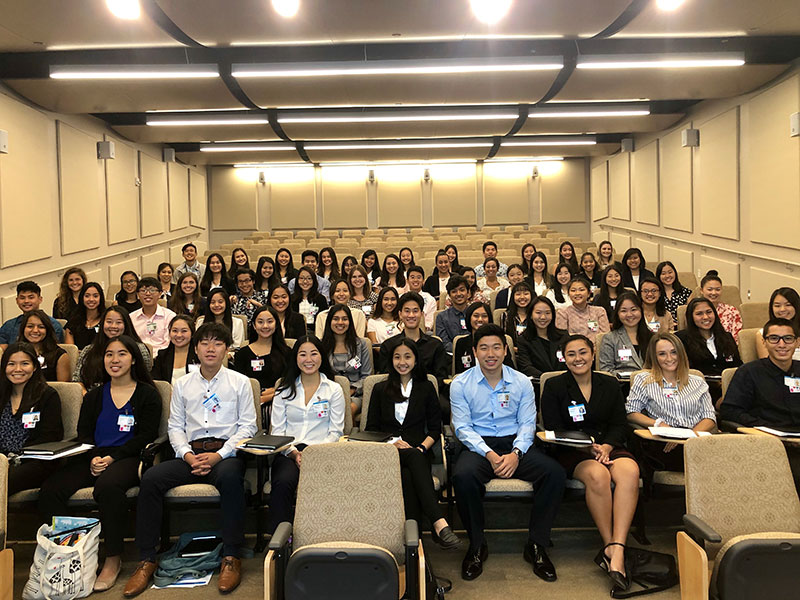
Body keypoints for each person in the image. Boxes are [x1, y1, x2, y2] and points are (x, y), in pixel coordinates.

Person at [124, 323, 257, 596]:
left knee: (232, 478)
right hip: (190, 454)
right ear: (195, 348)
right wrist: (187, 455)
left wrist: (218, 455)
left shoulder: (240, 382)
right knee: (151, 479)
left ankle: (231, 557)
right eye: (205, 343)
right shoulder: (182, 384)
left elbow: (248, 428)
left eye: (217, 343)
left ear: (226, 349)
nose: (211, 348)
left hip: (225, 454)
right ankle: (147, 559)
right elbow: (175, 427)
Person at [41, 335, 161, 593]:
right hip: (93, 455)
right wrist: (94, 456)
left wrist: (113, 458)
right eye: (109, 354)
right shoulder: (95, 395)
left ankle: (113, 557)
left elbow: (146, 436)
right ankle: (69, 553)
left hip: (128, 456)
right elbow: (84, 433)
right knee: (51, 489)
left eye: (121, 354)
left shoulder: (147, 394)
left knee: (107, 487)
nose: (114, 360)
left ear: (133, 359)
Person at [451, 324, 565, 582]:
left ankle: (537, 544)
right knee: (463, 476)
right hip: (479, 445)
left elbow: (527, 423)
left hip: (515, 443)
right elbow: (462, 428)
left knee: (554, 474)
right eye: (483, 348)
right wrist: (490, 454)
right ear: (474, 352)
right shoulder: (460, 383)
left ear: (505, 350)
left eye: (496, 347)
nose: (490, 353)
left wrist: (515, 453)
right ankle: (477, 545)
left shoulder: (522, 381)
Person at [541, 335, 640, 591]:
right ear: (564, 358)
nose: (578, 359)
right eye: (571, 354)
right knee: (598, 476)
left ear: (593, 354)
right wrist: (587, 448)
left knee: (630, 471)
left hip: (608, 446)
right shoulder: (554, 386)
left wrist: (606, 446)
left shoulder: (609, 383)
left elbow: (620, 423)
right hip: (573, 451)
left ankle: (617, 547)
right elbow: (553, 429)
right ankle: (609, 546)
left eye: (583, 352)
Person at [365, 337, 461, 549]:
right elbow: (371, 429)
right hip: (386, 453)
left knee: (409, 476)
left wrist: (420, 448)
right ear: (391, 361)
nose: (402, 362)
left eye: (407, 357)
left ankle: (412, 545)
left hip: (419, 453)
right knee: (413, 462)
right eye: (397, 357)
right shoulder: (380, 389)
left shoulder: (426, 387)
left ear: (416, 360)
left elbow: (435, 429)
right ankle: (438, 523)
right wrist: (393, 443)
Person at [266, 336, 345, 536]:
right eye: (302, 354)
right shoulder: (283, 389)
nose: (308, 359)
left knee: (326, 485)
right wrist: (294, 454)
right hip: (289, 452)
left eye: (314, 353)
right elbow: (277, 431)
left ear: (322, 357)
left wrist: (313, 454)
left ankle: (325, 536)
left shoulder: (333, 389)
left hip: (323, 452)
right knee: (283, 482)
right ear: (295, 358)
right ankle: (280, 543)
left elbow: (336, 431)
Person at [720, 318, 800, 490]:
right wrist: (760, 428)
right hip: (770, 444)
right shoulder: (749, 372)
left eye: (788, 338)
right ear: (764, 342)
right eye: (774, 338)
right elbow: (729, 411)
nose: (782, 344)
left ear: (797, 342)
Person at [626, 332, 716, 472]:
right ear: (654, 357)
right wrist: (659, 424)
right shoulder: (644, 379)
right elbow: (632, 412)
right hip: (663, 439)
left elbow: (709, 417)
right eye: (662, 354)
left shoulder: (698, 381)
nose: (669, 358)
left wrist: (689, 437)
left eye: (674, 352)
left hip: (695, 438)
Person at [1, 342, 63, 496]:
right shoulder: (1, 395)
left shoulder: (48, 396)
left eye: (25, 363)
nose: (18, 369)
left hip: (34, 461)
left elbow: (51, 436)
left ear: (35, 367)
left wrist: (16, 459)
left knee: (2, 481)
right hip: (2, 460)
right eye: (11, 364)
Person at [676, 298, 742, 405]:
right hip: (700, 390)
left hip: (731, 387)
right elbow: (687, 371)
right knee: (733, 402)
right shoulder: (681, 339)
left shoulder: (726, 337)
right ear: (691, 317)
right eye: (699, 314)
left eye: (709, 312)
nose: (705, 317)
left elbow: (737, 365)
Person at [377, 292, 448, 391]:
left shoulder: (435, 345)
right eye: (407, 311)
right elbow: (386, 378)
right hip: (396, 395)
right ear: (400, 314)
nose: (411, 315)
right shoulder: (388, 346)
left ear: (422, 314)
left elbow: (440, 380)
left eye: (415, 311)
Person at [73, 306, 153, 391]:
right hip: (92, 399)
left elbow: (144, 379)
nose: (113, 326)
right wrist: (87, 396)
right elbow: (77, 380)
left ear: (126, 324)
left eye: (118, 322)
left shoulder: (139, 349)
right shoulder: (89, 350)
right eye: (109, 322)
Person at [321, 304, 372, 420]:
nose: (340, 322)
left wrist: (351, 390)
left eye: (344, 319)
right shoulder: (321, 346)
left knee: (348, 409)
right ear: (329, 322)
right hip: (329, 392)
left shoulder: (361, 345)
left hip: (355, 394)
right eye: (336, 319)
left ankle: (348, 437)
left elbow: (366, 376)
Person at [232, 306, 290, 408]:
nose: (265, 326)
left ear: (276, 324)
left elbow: (290, 382)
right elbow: (237, 385)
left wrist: (273, 394)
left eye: (270, 321)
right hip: (249, 403)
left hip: (279, 402)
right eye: (260, 322)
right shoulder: (242, 353)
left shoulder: (286, 352)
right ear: (254, 325)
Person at [598, 292, 652, 377]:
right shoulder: (610, 338)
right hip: (622, 385)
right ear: (618, 314)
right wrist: (627, 376)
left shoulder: (652, 337)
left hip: (650, 385)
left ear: (641, 310)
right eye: (623, 311)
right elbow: (606, 370)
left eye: (633, 309)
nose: (629, 315)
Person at [453, 303, 515, 375]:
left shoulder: (498, 341)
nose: (480, 319)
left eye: (484, 316)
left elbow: (509, 369)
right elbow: (459, 373)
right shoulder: (461, 343)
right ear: (469, 318)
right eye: (476, 316)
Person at [0, 281, 65, 349]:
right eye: (22, 298)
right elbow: (2, 352)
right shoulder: (9, 326)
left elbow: (54, 352)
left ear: (40, 299)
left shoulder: (53, 325)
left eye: (31, 297)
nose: (26, 301)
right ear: (17, 300)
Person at [516, 296, 568, 378]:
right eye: (538, 313)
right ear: (531, 315)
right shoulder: (523, 340)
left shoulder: (563, 336)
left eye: (547, 313)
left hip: (565, 381)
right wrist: (547, 379)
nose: (543, 317)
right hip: (539, 383)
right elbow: (526, 367)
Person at [17, 310, 69, 382]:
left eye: (41, 327)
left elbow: (63, 388)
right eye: (30, 326)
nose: (35, 330)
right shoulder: (14, 352)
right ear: (23, 329)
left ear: (47, 330)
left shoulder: (60, 355)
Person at [130, 277, 177, 355]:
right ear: (138, 295)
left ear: (160, 293)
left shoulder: (170, 316)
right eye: (143, 291)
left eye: (152, 290)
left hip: (162, 358)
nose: (148, 294)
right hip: (138, 357)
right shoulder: (131, 317)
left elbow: (169, 343)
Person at [556, 277, 610, 342]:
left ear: (589, 293)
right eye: (573, 290)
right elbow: (562, 338)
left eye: (581, 290)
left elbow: (605, 336)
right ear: (568, 294)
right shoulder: (562, 313)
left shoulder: (599, 311)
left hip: (598, 349)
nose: (577, 293)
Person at [149, 315, 200, 385]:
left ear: (192, 333)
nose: (179, 335)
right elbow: (155, 382)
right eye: (175, 331)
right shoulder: (162, 356)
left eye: (184, 331)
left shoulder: (199, 355)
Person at [757, 288, 800, 360]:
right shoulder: (762, 334)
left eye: (788, 305)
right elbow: (767, 366)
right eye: (777, 306)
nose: (782, 309)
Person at [700, 270, 742, 342]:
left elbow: (736, 339)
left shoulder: (732, 311)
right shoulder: (695, 311)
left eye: (718, 289)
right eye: (710, 289)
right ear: (701, 290)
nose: (714, 293)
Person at [64, 282, 105, 350]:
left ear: (101, 298)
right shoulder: (73, 322)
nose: (91, 299)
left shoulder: (107, 320)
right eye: (87, 296)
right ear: (82, 298)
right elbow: (71, 351)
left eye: (95, 296)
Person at [435, 275, 471, 353]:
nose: (458, 294)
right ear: (450, 295)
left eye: (462, 290)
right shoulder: (441, 317)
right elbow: (444, 343)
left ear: (468, 292)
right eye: (454, 291)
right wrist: (461, 351)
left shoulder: (476, 314)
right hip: (451, 356)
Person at [289, 266, 329, 331]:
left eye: (309, 278)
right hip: (296, 332)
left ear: (314, 281)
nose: (305, 281)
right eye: (301, 278)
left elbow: (324, 320)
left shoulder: (320, 299)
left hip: (315, 332)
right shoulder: (291, 299)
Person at [501, 281, 534, 345]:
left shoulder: (535, 315)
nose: (522, 297)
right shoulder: (505, 315)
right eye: (518, 294)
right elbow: (504, 339)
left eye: (526, 294)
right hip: (512, 352)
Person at [406, 265, 437, 331]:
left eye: (419, 277)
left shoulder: (430, 299)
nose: (415, 280)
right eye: (412, 277)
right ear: (407, 280)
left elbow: (430, 322)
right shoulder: (401, 298)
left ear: (423, 280)